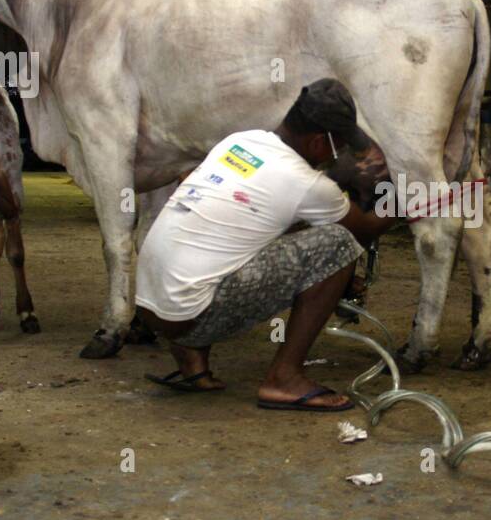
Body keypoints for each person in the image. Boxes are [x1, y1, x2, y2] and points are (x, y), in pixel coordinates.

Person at [135, 79, 397, 410]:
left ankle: (192, 363)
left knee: (232, 236)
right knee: (337, 243)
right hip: (190, 316)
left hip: (151, 304)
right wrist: (391, 191)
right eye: (340, 146)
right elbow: (365, 229)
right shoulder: (307, 185)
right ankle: (284, 379)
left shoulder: (241, 141)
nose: (341, 154)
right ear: (319, 143)